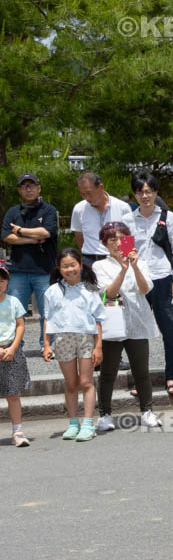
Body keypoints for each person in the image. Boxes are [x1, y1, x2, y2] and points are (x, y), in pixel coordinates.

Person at [92, 222, 162, 430]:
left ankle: (147, 410)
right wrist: (123, 270)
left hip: (137, 322)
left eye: (122, 238)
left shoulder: (139, 261)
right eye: (111, 239)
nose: (117, 243)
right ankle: (105, 414)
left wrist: (135, 266)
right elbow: (109, 293)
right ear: (104, 244)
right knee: (108, 372)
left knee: (141, 370)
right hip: (112, 323)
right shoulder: (99, 266)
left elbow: (145, 288)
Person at [131, 174, 173, 397]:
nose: (145, 196)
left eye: (149, 191)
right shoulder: (128, 219)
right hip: (137, 279)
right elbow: (125, 251)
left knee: (170, 328)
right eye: (140, 191)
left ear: (155, 192)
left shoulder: (168, 217)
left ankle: (171, 375)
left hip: (163, 277)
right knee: (136, 333)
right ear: (134, 194)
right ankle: (140, 379)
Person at [42, 249, 105, 442]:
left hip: (85, 338)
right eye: (65, 266)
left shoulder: (90, 289)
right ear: (59, 269)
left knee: (86, 382)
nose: (70, 269)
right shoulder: (52, 291)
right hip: (62, 339)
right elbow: (47, 319)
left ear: (80, 264)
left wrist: (98, 346)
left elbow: (98, 320)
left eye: (73, 265)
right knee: (70, 384)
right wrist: (46, 344)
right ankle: (73, 422)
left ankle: (88, 423)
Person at [2, 174, 59, 349]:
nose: (29, 189)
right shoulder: (12, 212)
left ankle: (47, 345)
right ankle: (16, 345)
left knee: (47, 311)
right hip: (19, 270)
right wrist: (32, 239)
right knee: (15, 312)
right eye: (24, 186)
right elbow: (6, 236)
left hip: (44, 269)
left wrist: (19, 230)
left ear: (39, 188)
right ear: (19, 190)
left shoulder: (48, 210)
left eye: (32, 185)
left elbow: (47, 233)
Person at [70, 172, 135, 265]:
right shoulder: (79, 209)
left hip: (116, 260)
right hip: (89, 261)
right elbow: (79, 237)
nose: (87, 198)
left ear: (101, 187)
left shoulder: (122, 207)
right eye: (83, 194)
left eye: (89, 193)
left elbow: (128, 238)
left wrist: (125, 262)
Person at [0, 265, 31, 447]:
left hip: (12, 350)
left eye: (2, 280)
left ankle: (17, 431)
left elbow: (20, 325)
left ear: (7, 282)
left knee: (13, 394)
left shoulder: (14, 302)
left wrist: (13, 347)